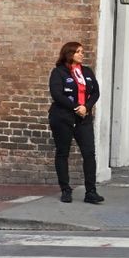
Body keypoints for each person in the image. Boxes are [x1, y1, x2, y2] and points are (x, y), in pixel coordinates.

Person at [48, 42, 104, 204]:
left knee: (89, 153)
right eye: (78, 52)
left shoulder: (86, 71)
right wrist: (75, 107)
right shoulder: (58, 72)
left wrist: (86, 107)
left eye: (82, 51)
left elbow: (95, 92)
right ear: (69, 54)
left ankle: (91, 192)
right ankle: (65, 189)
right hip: (62, 118)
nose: (82, 54)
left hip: (83, 118)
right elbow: (57, 94)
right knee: (62, 152)